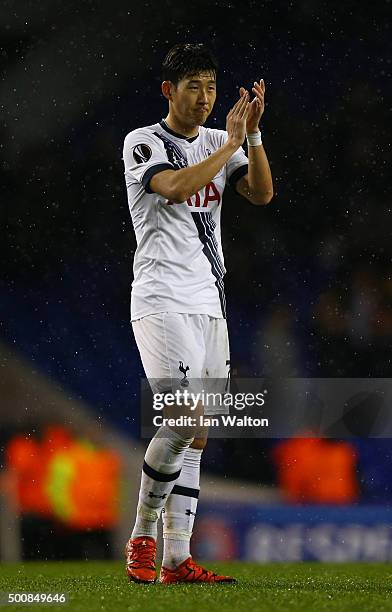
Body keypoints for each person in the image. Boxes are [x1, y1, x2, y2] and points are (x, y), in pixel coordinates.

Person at [122, 42, 273, 584]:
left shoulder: (221, 140)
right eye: (193, 86)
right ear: (168, 90)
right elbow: (175, 187)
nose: (205, 98)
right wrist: (228, 143)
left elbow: (261, 193)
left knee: (198, 434)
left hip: (212, 301)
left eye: (211, 86)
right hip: (162, 300)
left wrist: (250, 138)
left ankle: (177, 558)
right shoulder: (143, 142)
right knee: (182, 420)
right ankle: (141, 534)